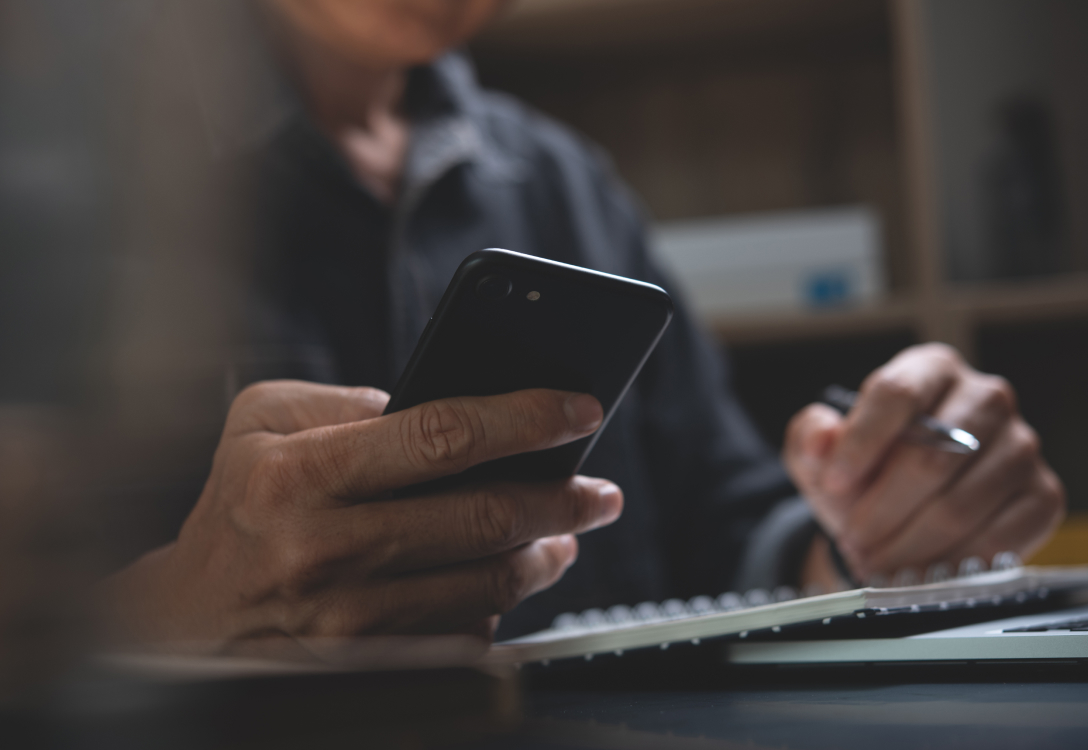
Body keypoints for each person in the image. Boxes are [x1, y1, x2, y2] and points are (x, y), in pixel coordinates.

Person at [98, 0, 1065, 647]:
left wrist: (877, 531)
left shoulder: (568, 184)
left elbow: (726, 541)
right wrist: (171, 614)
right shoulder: (66, 184)